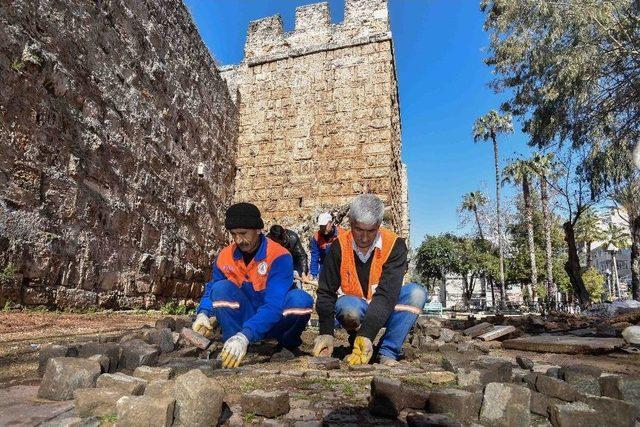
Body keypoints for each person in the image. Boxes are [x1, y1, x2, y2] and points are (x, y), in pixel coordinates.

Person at [193, 202, 314, 368]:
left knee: (301, 301)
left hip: (275, 321)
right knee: (221, 288)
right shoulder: (225, 256)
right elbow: (213, 288)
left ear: (258, 230)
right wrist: (204, 313)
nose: (238, 240)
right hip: (245, 314)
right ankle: (232, 344)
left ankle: (286, 344)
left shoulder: (279, 256)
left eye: (243, 233)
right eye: (233, 234)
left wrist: (246, 335)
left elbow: (274, 305)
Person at [312, 194, 428, 366]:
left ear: (379, 226)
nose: (364, 238)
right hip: (358, 309)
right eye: (358, 230)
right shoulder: (339, 247)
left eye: (371, 231)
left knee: (417, 294)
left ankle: (387, 351)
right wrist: (326, 332)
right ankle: (357, 341)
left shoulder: (394, 246)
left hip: (386, 308)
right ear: (350, 223)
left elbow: (387, 295)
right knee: (347, 307)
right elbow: (326, 291)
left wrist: (367, 334)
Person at [309, 212, 343, 280]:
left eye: (325, 226)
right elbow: (314, 257)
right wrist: (313, 274)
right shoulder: (316, 237)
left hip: (340, 265)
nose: (322, 228)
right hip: (324, 265)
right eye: (321, 226)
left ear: (332, 223)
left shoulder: (342, 235)